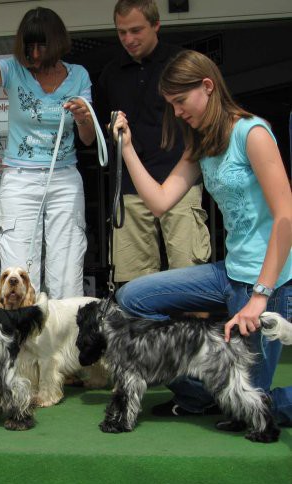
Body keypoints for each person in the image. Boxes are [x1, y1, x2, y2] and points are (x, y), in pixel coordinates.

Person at [112, 50, 292, 427]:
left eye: (180, 101)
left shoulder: (253, 133)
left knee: (249, 408)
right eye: (171, 104)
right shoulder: (202, 143)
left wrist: (260, 296)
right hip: (229, 274)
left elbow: (286, 216)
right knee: (132, 298)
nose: (177, 112)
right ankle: (204, 395)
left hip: (267, 283)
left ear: (207, 87)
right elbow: (160, 202)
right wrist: (127, 148)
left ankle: (235, 396)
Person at [0, 6, 96, 298]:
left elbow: (87, 139)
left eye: (42, 45)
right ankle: (22, 339)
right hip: (20, 179)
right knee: (17, 268)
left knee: (67, 264)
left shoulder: (79, 76)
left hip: (64, 178)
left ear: (58, 42)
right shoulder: (13, 69)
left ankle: (65, 340)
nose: (35, 54)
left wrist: (83, 117)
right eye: (29, 47)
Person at [96, 0, 211, 284]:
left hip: (179, 180)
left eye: (136, 30)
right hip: (131, 186)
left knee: (189, 277)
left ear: (156, 25)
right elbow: (97, 133)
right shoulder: (110, 73)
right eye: (121, 32)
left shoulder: (181, 62)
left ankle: (190, 331)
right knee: (134, 286)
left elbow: (204, 118)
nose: (128, 39)